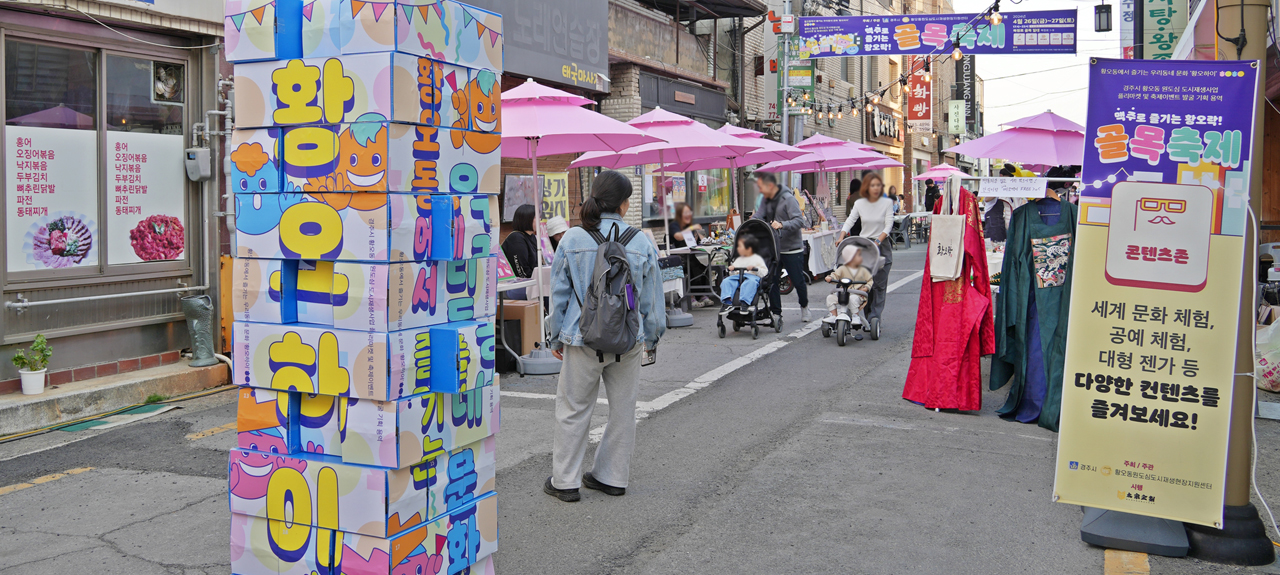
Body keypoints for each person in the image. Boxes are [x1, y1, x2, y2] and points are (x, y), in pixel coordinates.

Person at [544, 170, 665, 502]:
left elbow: (559, 295)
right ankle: (611, 477)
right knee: (623, 410)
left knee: (572, 408)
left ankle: (565, 482)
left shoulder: (571, 238)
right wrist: (651, 338)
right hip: (628, 341)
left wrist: (555, 337)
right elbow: (651, 301)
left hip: (581, 340)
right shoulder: (641, 242)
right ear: (625, 205)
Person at [752, 171, 811, 322]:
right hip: (774, 248)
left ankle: (804, 307)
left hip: (792, 248)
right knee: (772, 280)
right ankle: (776, 312)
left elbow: (800, 221)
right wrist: (750, 223)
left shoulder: (788, 199)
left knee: (798, 281)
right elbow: (759, 216)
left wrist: (782, 225)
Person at [836, 174, 895, 322]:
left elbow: (888, 225)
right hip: (864, 246)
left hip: (882, 245)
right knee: (866, 283)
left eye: (878, 185)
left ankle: (875, 317)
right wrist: (841, 236)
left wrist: (878, 241)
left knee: (879, 285)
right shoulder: (859, 203)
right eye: (872, 185)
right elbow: (850, 220)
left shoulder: (886, 203)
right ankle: (869, 315)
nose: (875, 188)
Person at [668, 202, 714, 308]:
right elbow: (678, 236)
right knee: (692, 268)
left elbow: (693, 243)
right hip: (678, 258)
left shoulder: (688, 226)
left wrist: (699, 236)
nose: (688, 214)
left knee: (703, 268)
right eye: (685, 212)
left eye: (689, 212)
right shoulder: (674, 225)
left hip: (690, 255)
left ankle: (702, 295)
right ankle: (692, 296)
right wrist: (692, 228)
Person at [717, 234, 768, 311]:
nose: (738, 248)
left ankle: (745, 302)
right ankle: (727, 301)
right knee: (726, 281)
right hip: (738, 277)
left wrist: (755, 268)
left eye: (740, 246)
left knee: (750, 283)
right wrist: (732, 269)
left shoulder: (757, 259)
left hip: (752, 276)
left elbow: (764, 272)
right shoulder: (739, 259)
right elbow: (733, 273)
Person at [825, 244, 873, 317]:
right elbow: (835, 275)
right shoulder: (842, 268)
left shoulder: (863, 270)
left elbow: (870, 280)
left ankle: (855, 316)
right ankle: (833, 315)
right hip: (843, 293)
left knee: (852, 299)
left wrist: (866, 288)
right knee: (830, 298)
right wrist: (830, 278)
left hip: (857, 293)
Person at [501, 204, 539, 278]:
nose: (539, 220)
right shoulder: (516, 238)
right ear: (527, 219)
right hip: (517, 285)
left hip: (532, 282)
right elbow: (521, 270)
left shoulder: (532, 236)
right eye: (536, 217)